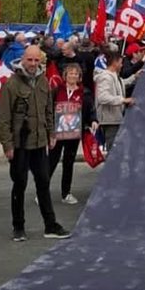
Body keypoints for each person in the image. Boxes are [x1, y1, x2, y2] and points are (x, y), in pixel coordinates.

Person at [0, 44, 70, 242]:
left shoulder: (43, 81)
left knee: (43, 183)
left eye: (37, 60)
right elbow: (3, 118)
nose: (33, 64)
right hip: (20, 144)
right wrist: (7, 145)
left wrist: (51, 133)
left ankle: (50, 225)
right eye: (30, 60)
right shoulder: (11, 84)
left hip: (39, 143)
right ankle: (18, 227)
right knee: (19, 184)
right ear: (23, 59)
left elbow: (48, 110)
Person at [49, 62, 98, 204]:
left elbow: (90, 110)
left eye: (76, 74)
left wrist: (93, 120)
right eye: (70, 73)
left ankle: (66, 193)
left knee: (68, 163)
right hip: (57, 132)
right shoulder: (57, 90)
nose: (73, 76)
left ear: (79, 77)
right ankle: (42, 192)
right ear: (65, 76)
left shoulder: (85, 92)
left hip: (74, 133)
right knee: (51, 162)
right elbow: (49, 109)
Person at [94, 50, 134, 151]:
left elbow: (120, 85)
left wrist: (134, 77)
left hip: (116, 119)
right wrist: (123, 100)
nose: (122, 65)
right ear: (115, 62)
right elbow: (103, 97)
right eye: (121, 63)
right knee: (113, 150)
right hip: (109, 120)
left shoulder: (115, 77)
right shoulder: (106, 77)